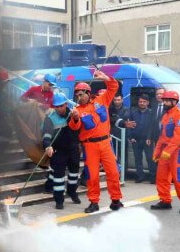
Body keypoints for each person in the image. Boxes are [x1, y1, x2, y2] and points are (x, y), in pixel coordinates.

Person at [68, 70, 124, 213]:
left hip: (105, 143)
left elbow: (113, 87)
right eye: (77, 95)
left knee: (113, 172)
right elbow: (75, 127)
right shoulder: (77, 110)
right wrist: (74, 118)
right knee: (92, 176)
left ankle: (116, 200)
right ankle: (94, 202)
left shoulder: (101, 100)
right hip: (89, 145)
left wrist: (106, 77)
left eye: (81, 94)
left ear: (88, 92)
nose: (79, 97)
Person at [151, 91, 180, 214]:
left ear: (174, 102)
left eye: (167, 100)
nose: (164, 102)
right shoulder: (166, 116)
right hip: (166, 150)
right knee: (161, 177)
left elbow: (178, 137)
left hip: (178, 151)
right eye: (164, 100)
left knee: (179, 177)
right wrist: (157, 151)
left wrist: (167, 151)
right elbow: (162, 136)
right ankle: (165, 200)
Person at [43, 93, 82, 210]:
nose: (59, 108)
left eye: (61, 105)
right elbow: (46, 136)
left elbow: (78, 129)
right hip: (58, 151)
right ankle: (59, 200)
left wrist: (76, 118)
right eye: (57, 106)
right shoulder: (50, 118)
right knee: (58, 176)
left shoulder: (73, 114)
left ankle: (72, 192)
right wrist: (47, 146)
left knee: (74, 173)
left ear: (66, 104)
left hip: (73, 149)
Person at [125, 93, 156, 183]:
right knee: (137, 159)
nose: (142, 103)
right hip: (136, 140)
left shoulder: (151, 113)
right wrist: (130, 137)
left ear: (148, 103)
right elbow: (129, 125)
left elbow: (152, 126)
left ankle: (153, 177)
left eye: (144, 102)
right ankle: (140, 176)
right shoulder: (133, 112)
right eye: (140, 101)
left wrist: (150, 138)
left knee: (150, 159)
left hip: (147, 140)